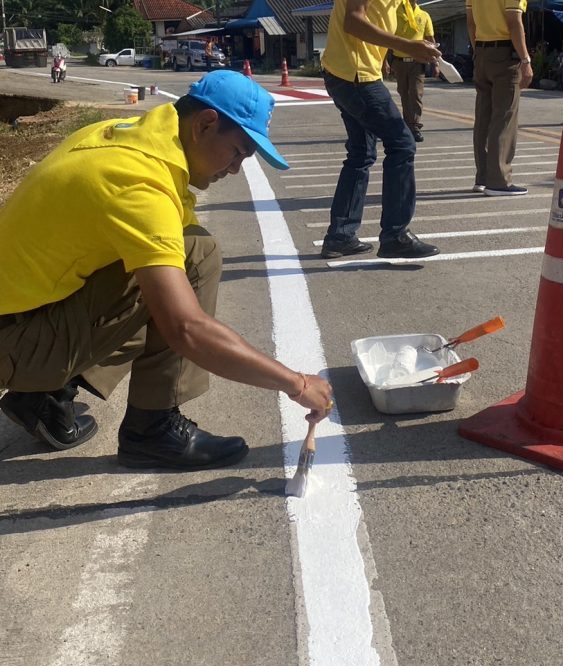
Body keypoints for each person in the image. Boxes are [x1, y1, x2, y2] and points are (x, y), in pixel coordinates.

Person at [0, 70, 332, 469]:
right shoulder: (139, 183)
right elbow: (186, 328)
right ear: (205, 124)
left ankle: (44, 396)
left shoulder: (125, 137)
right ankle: (151, 430)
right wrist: (296, 384)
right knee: (190, 268)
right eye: (238, 152)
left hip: (24, 316)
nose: (235, 169)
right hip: (15, 340)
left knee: (188, 249)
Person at [320, 0, 442, 261]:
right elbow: (354, 21)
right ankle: (395, 235)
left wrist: (415, 44)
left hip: (353, 69)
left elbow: (389, 18)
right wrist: (407, 46)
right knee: (402, 143)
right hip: (354, 74)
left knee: (361, 153)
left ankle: (341, 236)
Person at [466, 0, 533, 197]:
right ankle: (499, 180)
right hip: (505, 54)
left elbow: (470, 21)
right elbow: (514, 20)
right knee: (504, 117)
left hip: (482, 50)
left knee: (483, 117)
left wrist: (478, 50)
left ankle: (482, 177)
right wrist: (525, 59)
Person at [390, 0, 435, 142]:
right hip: (399, 61)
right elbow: (388, 38)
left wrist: (436, 62)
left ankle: (414, 127)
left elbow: (430, 39)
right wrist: (385, 62)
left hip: (418, 62)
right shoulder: (395, 14)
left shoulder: (424, 15)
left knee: (415, 94)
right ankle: (407, 125)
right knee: (404, 94)